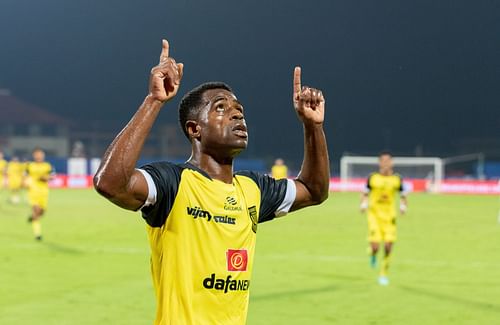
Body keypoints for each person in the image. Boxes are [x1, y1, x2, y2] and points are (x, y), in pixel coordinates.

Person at [94, 39, 330, 324]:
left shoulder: (253, 190)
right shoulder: (174, 183)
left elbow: (315, 190)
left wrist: (312, 126)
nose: (237, 113)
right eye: (221, 108)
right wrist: (154, 101)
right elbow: (110, 183)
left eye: (239, 109)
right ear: (195, 129)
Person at [360, 151, 408, 286]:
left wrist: (403, 207)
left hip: (390, 217)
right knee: (375, 247)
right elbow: (364, 193)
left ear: (391, 163)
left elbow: (403, 195)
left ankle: (383, 273)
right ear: (380, 163)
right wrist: (363, 204)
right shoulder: (372, 178)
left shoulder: (397, 179)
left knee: (387, 246)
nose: (386, 163)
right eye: (383, 161)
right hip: (374, 216)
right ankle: (373, 254)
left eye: (388, 160)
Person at [26, 148, 54, 240]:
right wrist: (25, 182)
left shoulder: (47, 166)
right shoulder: (30, 166)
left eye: (40, 154)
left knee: (42, 212)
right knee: (36, 210)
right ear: (34, 156)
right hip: (33, 191)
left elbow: (53, 176)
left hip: (44, 192)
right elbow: (24, 176)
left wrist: (46, 178)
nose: (38, 156)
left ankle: (32, 217)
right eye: (37, 154)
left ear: (43, 155)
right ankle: (37, 234)